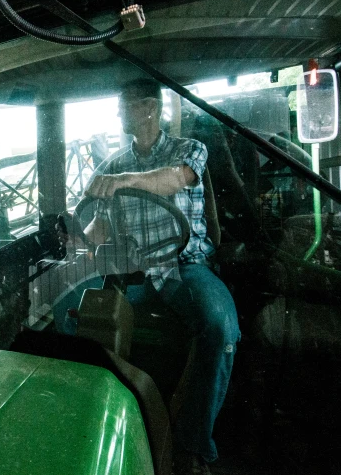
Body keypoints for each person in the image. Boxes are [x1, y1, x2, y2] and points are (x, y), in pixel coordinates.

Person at [67, 78, 240, 475]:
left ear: (149, 108)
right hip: (135, 273)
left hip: (186, 267)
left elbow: (173, 179)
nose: (117, 114)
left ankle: (194, 445)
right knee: (76, 320)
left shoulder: (189, 151)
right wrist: (71, 234)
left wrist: (125, 181)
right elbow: (99, 231)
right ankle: (97, 431)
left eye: (123, 106)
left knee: (219, 326)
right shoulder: (112, 165)